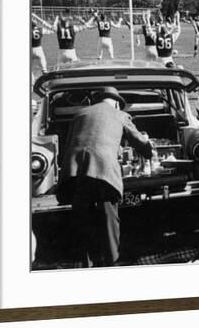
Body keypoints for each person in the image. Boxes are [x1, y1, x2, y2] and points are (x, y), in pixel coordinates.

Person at [60, 87, 154, 267]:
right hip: (103, 171)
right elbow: (140, 142)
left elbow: (70, 142)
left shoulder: (80, 113)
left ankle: (85, 265)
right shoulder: (119, 115)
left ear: (98, 99)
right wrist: (149, 152)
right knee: (109, 220)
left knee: (82, 220)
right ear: (117, 102)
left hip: (74, 171)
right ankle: (112, 264)